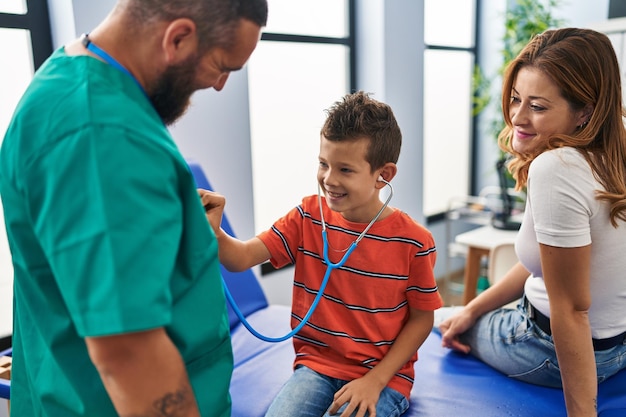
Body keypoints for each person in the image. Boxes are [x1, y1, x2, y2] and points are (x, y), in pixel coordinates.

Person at [0, 0, 267, 416]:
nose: (220, 84)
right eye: (222, 65)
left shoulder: (71, 78)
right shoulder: (101, 133)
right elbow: (129, 352)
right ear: (178, 37)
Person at [200, 91, 443, 417]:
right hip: (316, 366)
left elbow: (422, 319)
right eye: (323, 164)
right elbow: (241, 257)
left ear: (383, 175)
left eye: (345, 170)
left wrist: (374, 381)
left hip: (382, 379)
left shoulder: (414, 242)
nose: (329, 179)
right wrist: (214, 232)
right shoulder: (307, 216)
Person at [438, 28, 626, 417]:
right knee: (462, 314)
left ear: (585, 111)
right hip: (618, 348)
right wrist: (472, 309)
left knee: (437, 319)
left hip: (545, 349)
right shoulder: (616, 152)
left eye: (538, 107)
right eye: (514, 99)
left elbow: (572, 309)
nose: (517, 117)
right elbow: (548, 261)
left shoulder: (556, 167)